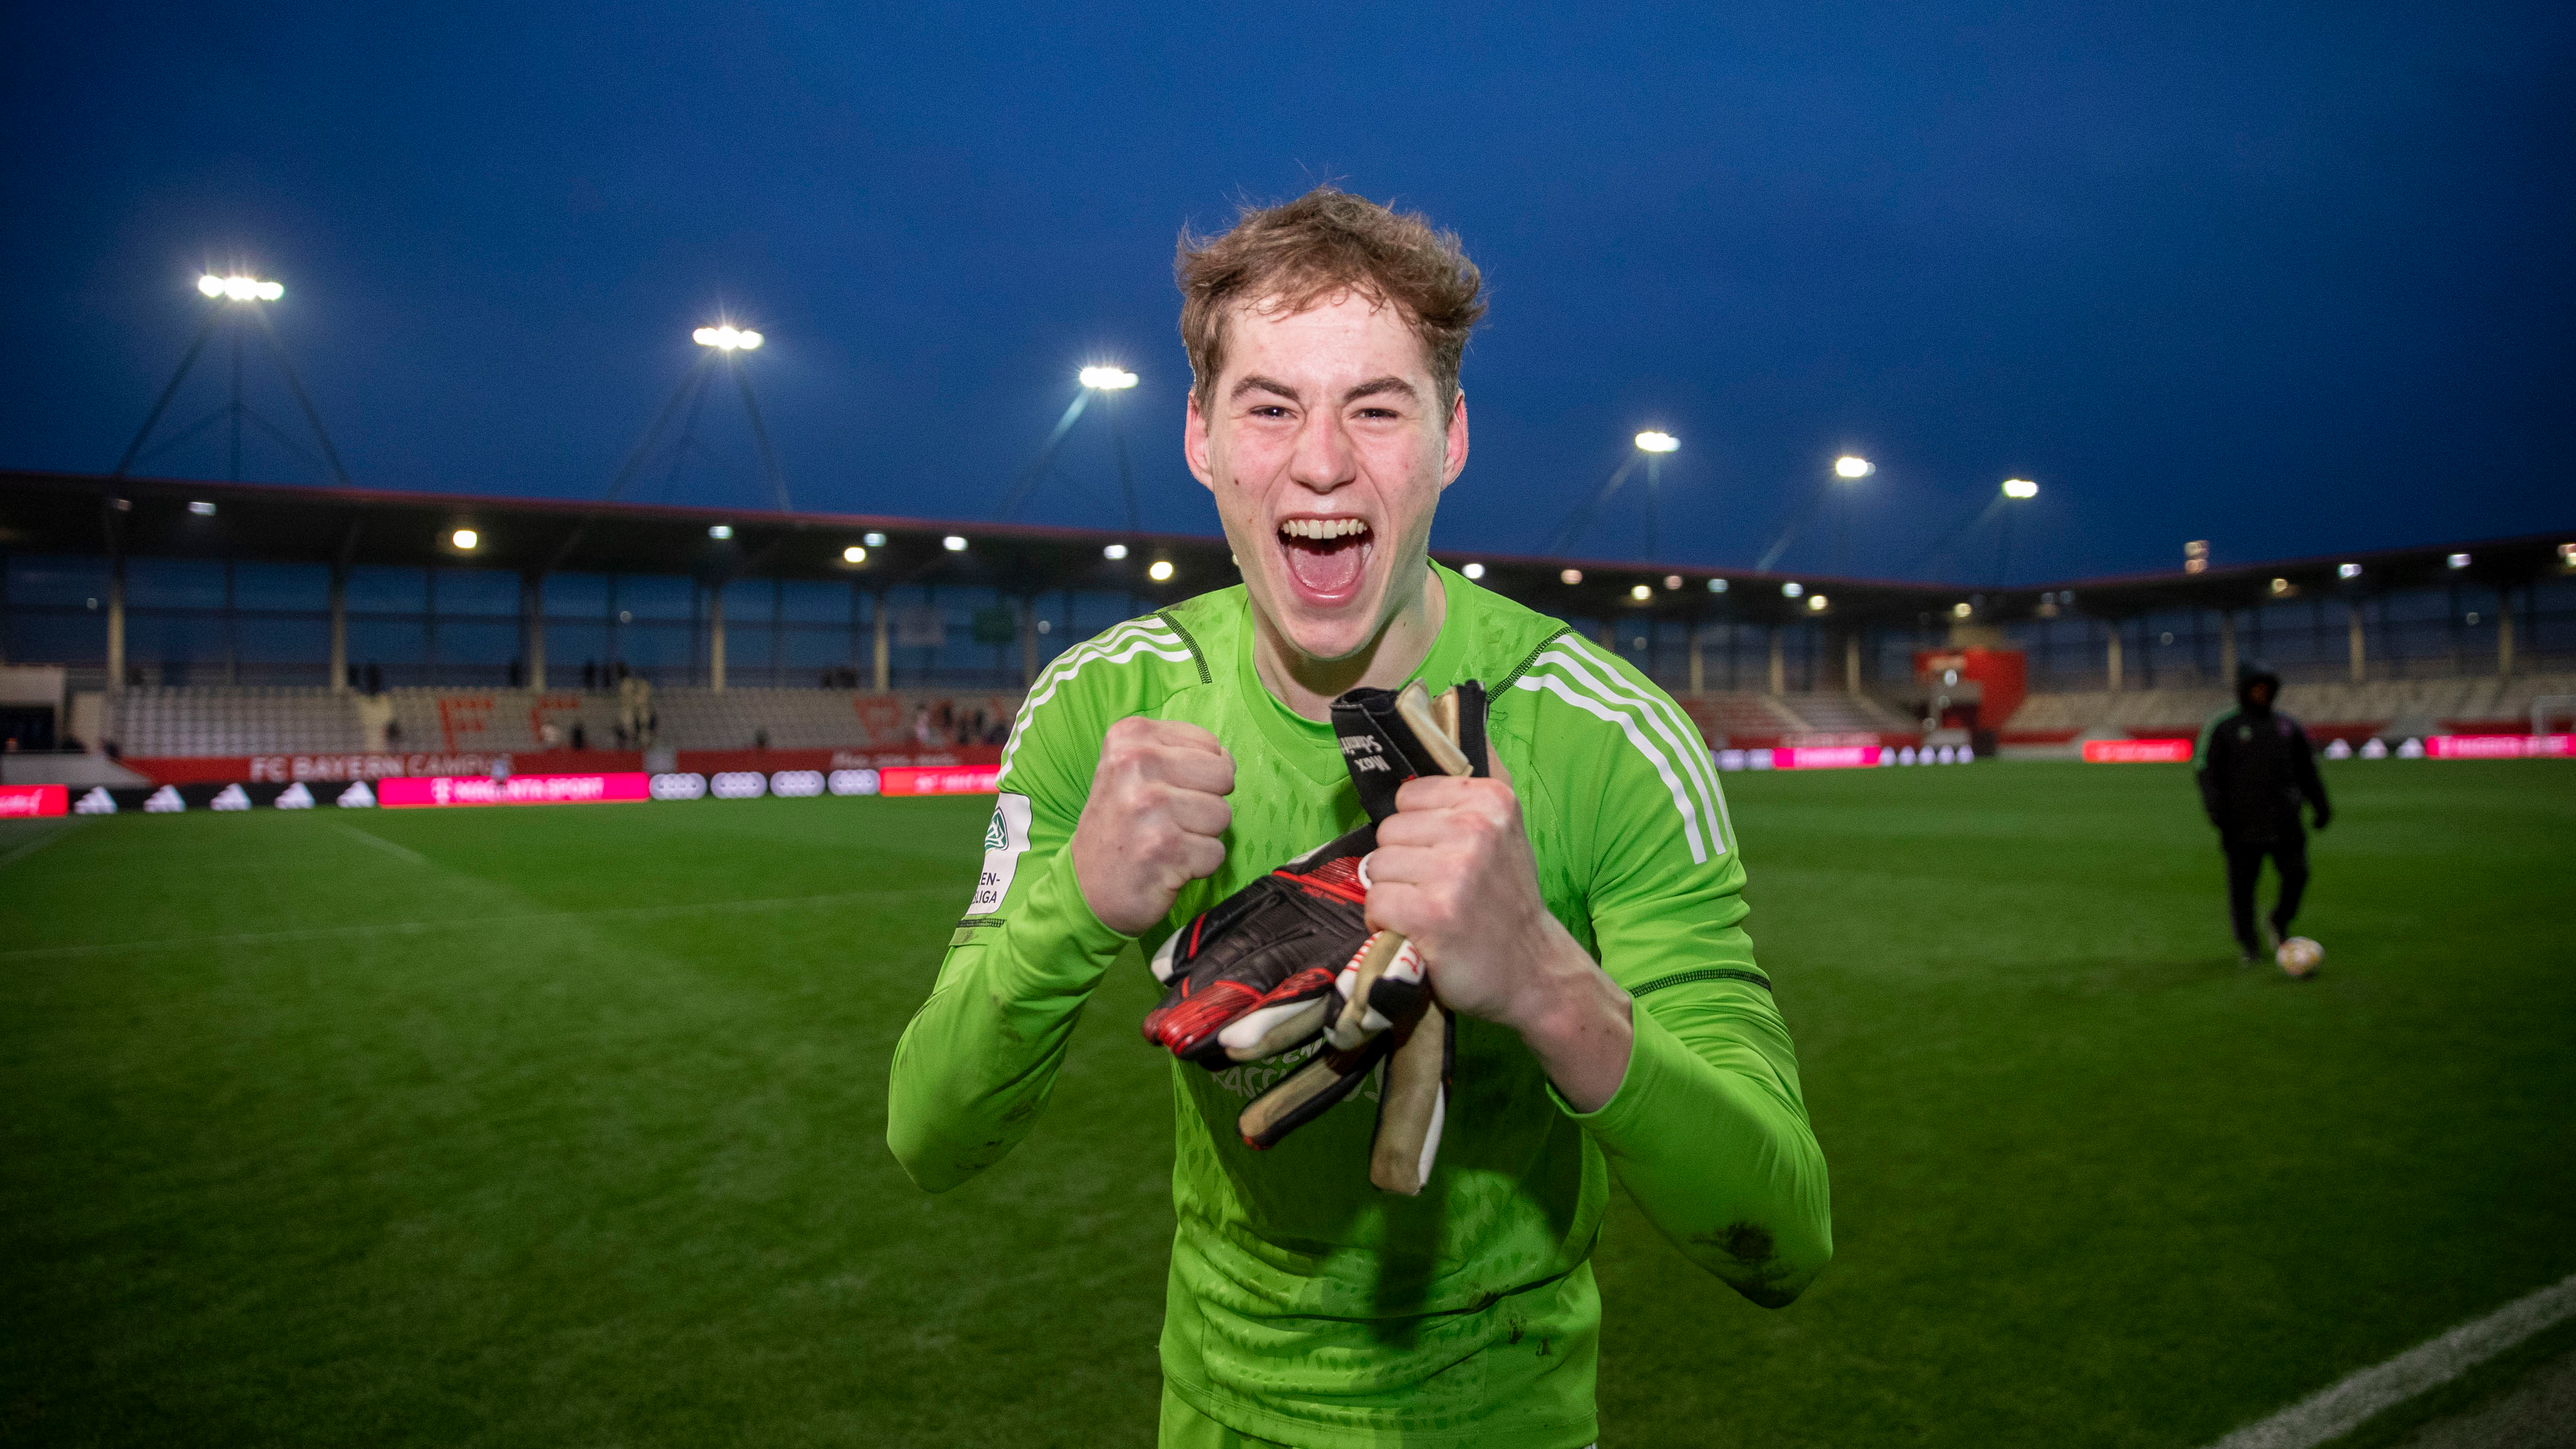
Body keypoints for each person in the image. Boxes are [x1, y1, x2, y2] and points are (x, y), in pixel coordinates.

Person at [886, 188, 1831, 1449]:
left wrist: (1548, 981)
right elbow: (928, 1133)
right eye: (1269, 405)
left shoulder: (1608, 733)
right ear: (1199, 437)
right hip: (1216, 1407)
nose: (1320, 460)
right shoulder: (1103, 708)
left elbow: (1786, 1235)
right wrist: (1079, 899)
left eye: (1377, 407)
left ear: (1449, 439)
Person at [2195, 661, 2332, 962]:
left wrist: (2321, 805)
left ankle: (2280, 919)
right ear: (2243, 690)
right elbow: (2207, 774)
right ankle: (2250, 945)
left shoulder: (2288, 727)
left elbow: (2308, 771)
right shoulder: (2224, 727)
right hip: (2240, 825)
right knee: (2242, 890)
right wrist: (2217, 812)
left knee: (2297, 874)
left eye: (2266, 688)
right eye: (2255, 688)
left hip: (2286, 822)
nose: (2261, 693)